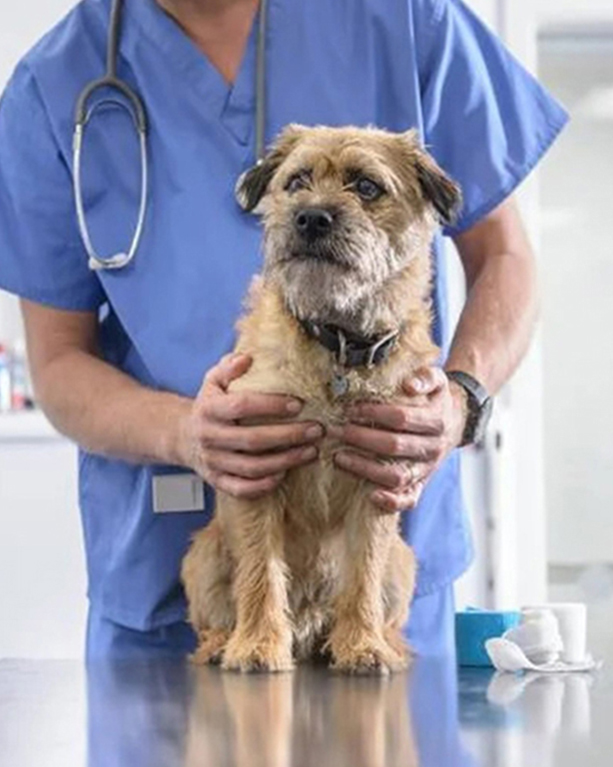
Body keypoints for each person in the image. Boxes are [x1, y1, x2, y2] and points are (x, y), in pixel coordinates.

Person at [0, 0, 568, 659]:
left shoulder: (406, 18)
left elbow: (504, 258)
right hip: (165, 585)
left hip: (383, 582)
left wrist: (459, 399)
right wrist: (186, 432)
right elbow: (58, 361)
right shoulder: (54, 82)